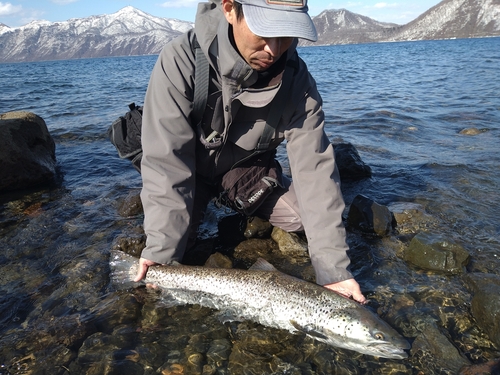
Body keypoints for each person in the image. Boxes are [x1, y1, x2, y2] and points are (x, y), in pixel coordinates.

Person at [134, 0, 367, 304]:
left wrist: (335, 271)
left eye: (285, 34)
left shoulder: (298, 81)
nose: (273, 49)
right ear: (230, 9)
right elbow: (167, 162)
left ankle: (229, 199)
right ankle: (197, 208)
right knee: (177, 249)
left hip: (246, 174)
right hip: (191, 172)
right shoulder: (180, 60)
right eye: (265, 31)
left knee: (301, 219)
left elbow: (314, 170)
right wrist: (161, 251)